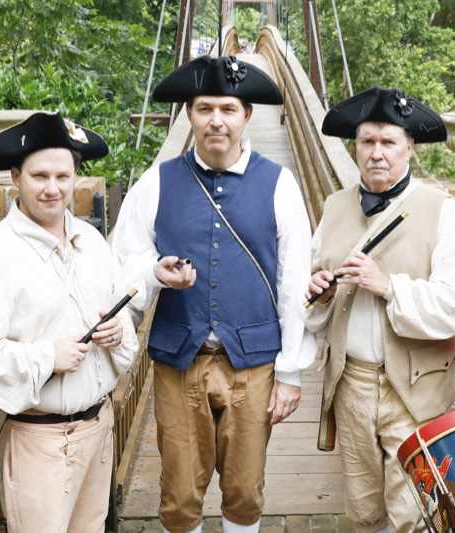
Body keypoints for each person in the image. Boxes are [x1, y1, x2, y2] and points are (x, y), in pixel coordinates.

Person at [111, 55, 317, 533]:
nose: (216, 120)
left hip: (254, 363)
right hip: (179, 360)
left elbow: (294, 282)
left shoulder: (280, 184)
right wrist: (154, 273)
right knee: (179, 495)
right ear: (189, 114)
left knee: (245, 491)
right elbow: (122, 265)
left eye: (228, 109)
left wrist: (290, 373)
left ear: (248, 115)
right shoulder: (155, 183)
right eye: (205, 108)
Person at [0, 111, 139, 533]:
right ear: (16, 177)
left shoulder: (93, 243)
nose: (53, 189)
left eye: (63, 176)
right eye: (39, 176)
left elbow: (120, 316)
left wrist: (118, 332)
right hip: (38, 442)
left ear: (75, 177)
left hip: (99, 429)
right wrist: (45, 358)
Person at [303, 86, 455, 533]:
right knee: (364, 510)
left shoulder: (439, 209)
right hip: (351, 383)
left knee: (416, 514)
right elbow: (311, 290)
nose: (376, 153)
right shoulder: (334, 206)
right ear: (355, 147)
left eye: (388, 142)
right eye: (367, 141)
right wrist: (320, 294)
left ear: (409, 146)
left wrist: (389, 287)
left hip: (416, 387)